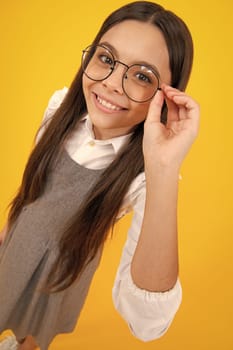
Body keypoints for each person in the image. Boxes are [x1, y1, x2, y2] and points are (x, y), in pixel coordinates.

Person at [0, 1, 200, 349]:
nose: (111, 84)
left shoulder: (146, 177)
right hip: (16, 247)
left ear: (167, 97)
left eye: (142, 76)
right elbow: (34, 188)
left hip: (60, 274)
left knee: (33, 335)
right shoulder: (58, 107)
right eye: (106, 58)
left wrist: (163, 168)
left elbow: (146, 324)